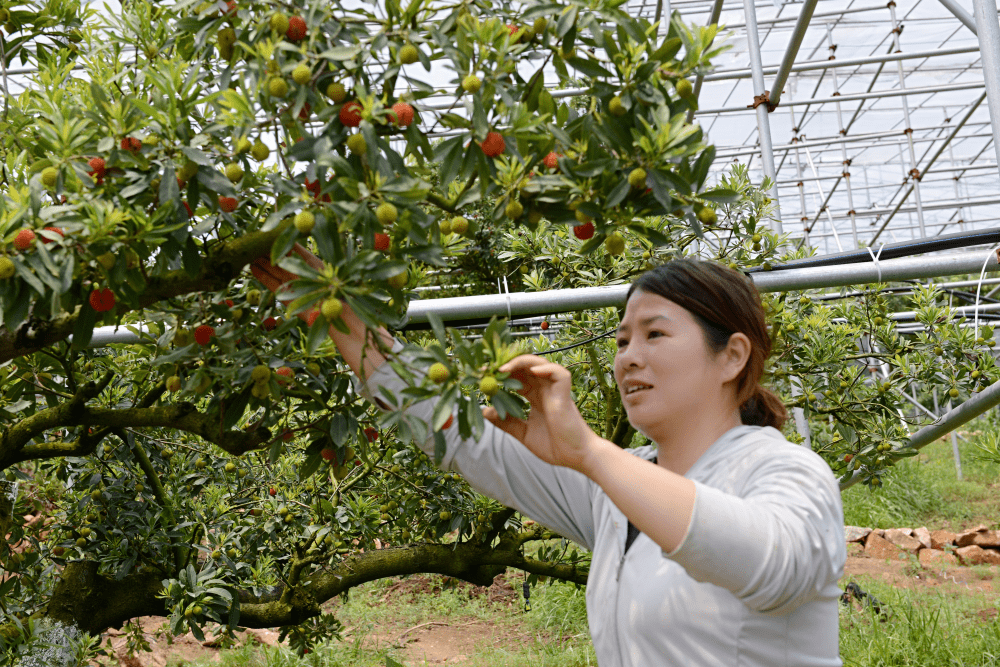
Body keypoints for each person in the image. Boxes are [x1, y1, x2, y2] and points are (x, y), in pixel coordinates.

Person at [252, 249, 846, 667]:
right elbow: (459, 432)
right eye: (620, 341)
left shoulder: (787, 473)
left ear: (731, 356)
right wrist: (341, 316)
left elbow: (774, 565)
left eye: (654, 335)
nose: (628, 358)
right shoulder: (615, 489)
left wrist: (590, 452)